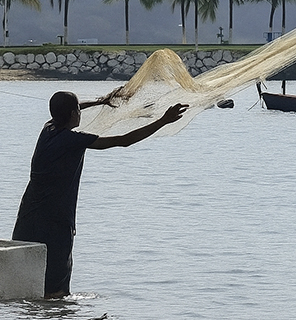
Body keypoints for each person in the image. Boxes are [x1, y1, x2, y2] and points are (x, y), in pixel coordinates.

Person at [12, 90, 188, 299]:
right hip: (55, 221)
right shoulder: (72, 140)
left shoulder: (47, 129)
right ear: (71, 114)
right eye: (78, 109)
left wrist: (99, 103)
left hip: (28, 216)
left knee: (25, 280)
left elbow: (67, 111)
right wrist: (163, 121)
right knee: (56, 289)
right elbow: (124, 140)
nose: (80, 112)